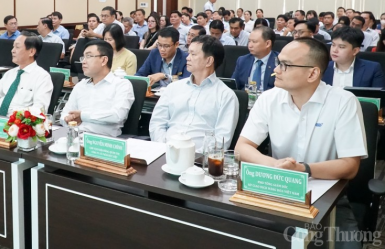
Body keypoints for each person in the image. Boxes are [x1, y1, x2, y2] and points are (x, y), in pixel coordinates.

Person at [235, 38, 367, 249]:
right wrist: (275, 166)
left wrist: (302, 169)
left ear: (312, 73)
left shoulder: (343, 102)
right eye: (278, 63)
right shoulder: (269, 99)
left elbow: (350, 166)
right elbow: (243, 147)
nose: (275, 70)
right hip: (275, 187)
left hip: (327, 198)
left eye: (285, 65)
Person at [149, 35, 239, 151]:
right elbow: (157, 122)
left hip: (199, 162)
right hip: (164, 152)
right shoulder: (173, 88)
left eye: (193, 54)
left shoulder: (226, 96)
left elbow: (221, 140)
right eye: (188, 53)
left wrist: (192, 156)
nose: (187, 58)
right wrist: (163, 147)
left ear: (209, 61)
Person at [61, 40, 135, 137]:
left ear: (104, 60)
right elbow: (65, 113)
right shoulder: (80, 85)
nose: (83, 61)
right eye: (83, 57)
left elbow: (117, 116)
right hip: (75, 136)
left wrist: (83, 116)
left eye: (89, 56)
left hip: (103, 142)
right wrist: (67, 119)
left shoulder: (122, 85)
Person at [0, 32, 53, 115]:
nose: (12, 50)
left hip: (20, 124)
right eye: (13, 47)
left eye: (17, 47)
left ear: (31, 52)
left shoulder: (42, 77)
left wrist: (16, 117)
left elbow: (39, 109)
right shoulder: (10, 74)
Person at [231, 27, 278, 91]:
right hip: (246, 98)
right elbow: (234, 85)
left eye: (254, 42)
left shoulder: (280, 61)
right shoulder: (242, 60)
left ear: (268, 43)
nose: (250, 45)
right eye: (249, 41)